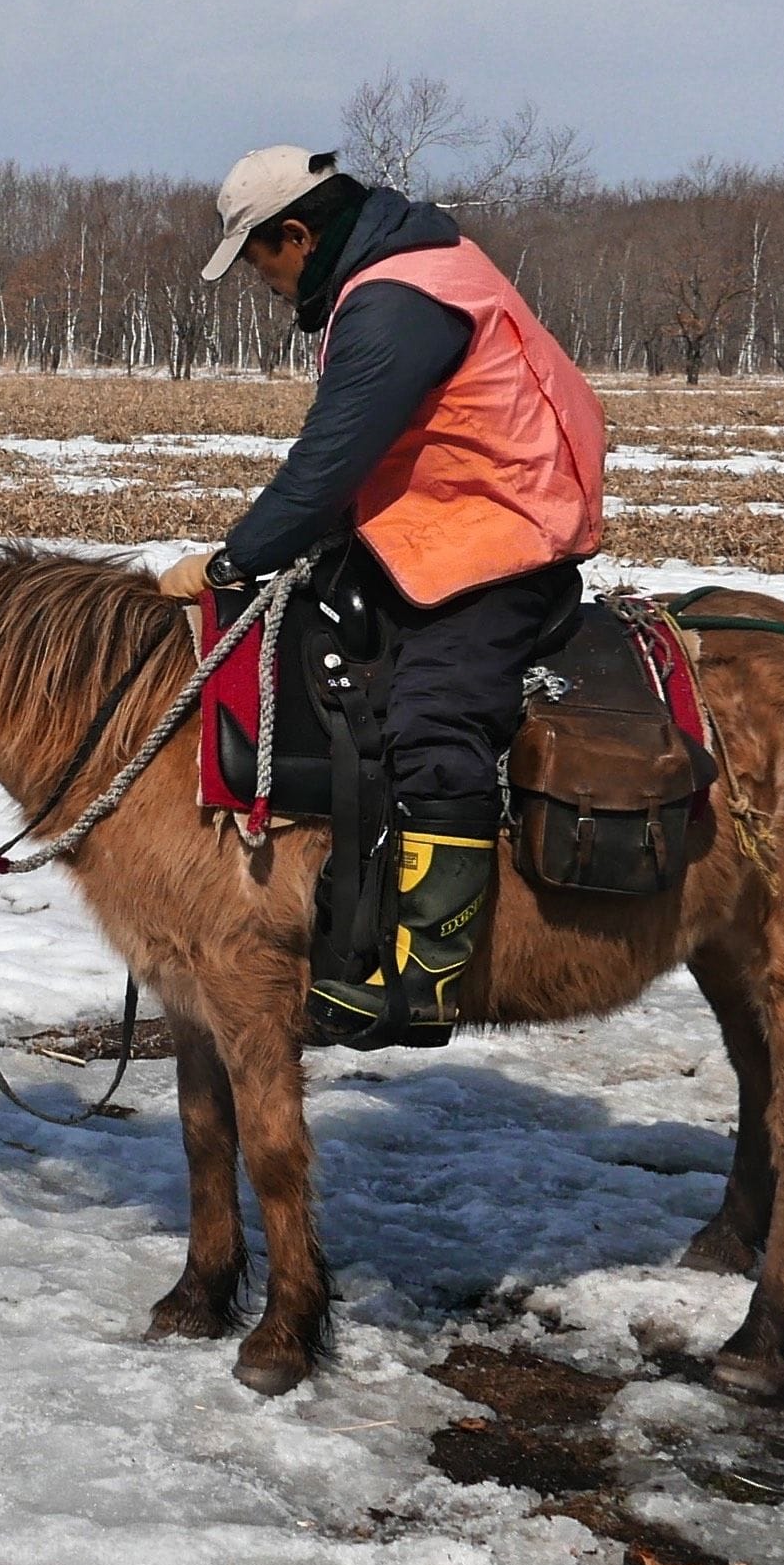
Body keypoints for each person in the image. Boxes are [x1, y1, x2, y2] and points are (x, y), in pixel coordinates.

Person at [156, 145, 606, 1036]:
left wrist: (232, 560)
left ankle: (424, 975)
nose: (266, 284)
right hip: (438, 518)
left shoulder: (396, 302)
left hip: (501, 527)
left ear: (296, 233)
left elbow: (329, 462)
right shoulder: (393, 275)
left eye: (261, 260)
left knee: (436, 717)